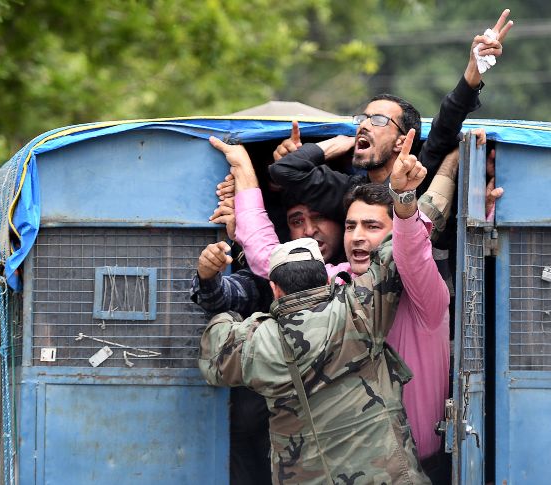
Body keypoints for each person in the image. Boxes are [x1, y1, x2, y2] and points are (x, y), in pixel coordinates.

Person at [211, 130, 452, 481]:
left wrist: (408, 195)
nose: (357, 235)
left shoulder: (421, 289)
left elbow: (412, 249)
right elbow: (269, 259)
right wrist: (245, 171)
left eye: (371, 226)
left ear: (393, 234)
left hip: (408, 467)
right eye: (351, 225)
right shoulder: (339, 281)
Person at [267, 9, 514, 226]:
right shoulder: (348, 189)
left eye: (378, 120)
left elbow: (447, 120)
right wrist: (333, 144)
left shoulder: (418, 171)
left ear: (401, 141)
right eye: (362, 119)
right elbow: (283, 171)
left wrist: (473, 70)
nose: (364, 125)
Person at [191, 173, 346, 485]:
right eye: (296, 220)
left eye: (319, 218)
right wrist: (210, 276)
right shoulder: (275, 273)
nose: (309, 230)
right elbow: (231, 294)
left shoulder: (361, 284)